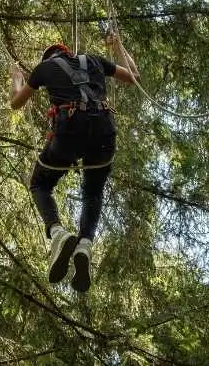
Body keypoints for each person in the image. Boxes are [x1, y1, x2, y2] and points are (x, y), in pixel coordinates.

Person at [10, 32, 140, 292]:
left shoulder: (44, 69)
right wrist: (117, 46)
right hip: (104, 130)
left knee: (39, 184)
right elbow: (134, 78)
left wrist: (16, 78)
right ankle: (85, 245)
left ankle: (58, 233)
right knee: (93, 191)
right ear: (67, 52)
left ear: (49, 57)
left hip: (69, 131)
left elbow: (16, 103)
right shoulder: (93, 60)